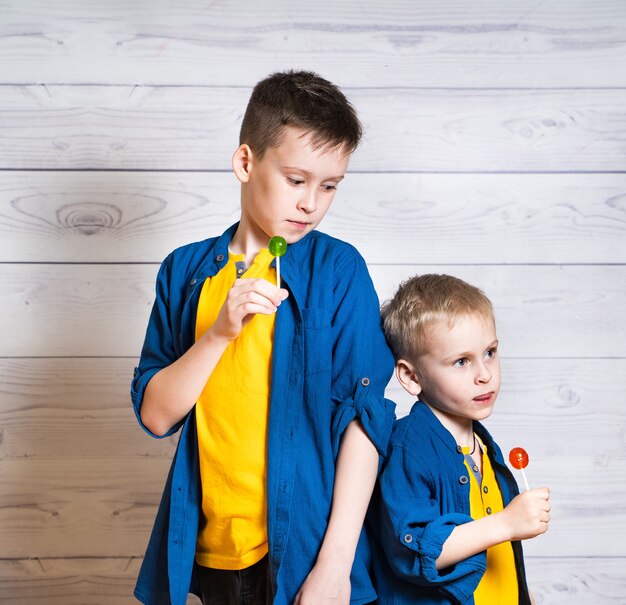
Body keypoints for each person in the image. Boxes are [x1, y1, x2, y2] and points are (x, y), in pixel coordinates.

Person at [130, 70, 395, 605]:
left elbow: (365, 422)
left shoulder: (338, 271)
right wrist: (219, 334)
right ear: (246, 163)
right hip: (212, 555)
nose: (311, 204)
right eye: (296, 180)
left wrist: (334, 567)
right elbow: (157, 415)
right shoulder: (185, 272)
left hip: (309, 554)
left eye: (329, 186)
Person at [368, 274, 551, 604]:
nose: (484, 374)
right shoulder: (410, 447)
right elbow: (414, 550)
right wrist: (507, 523)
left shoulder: (481, 443)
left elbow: (499, 556)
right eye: (462, 361)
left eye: (490, 352)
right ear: (411, 377)